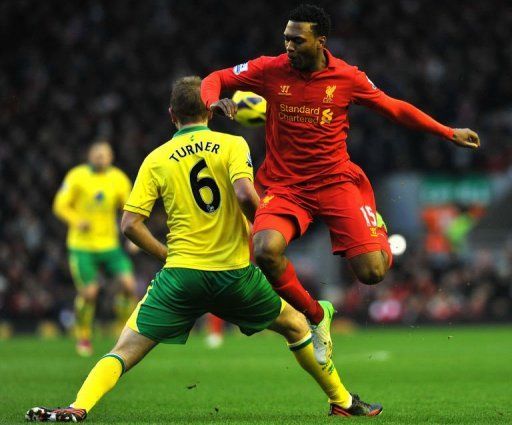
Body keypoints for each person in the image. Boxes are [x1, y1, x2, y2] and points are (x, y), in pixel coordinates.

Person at [26, 76, 382, 422]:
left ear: (171, 115)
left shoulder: (156, 158)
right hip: (234, 276)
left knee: (123, 350)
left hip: (179, 278)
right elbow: (244, 194)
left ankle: (78, 406)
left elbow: (130, 225)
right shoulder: (233, 146)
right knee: (297, 326)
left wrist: (166, 255)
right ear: (210, 112)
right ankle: (342, 401)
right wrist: (266, 227)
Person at [201, 3, 480, 356]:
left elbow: (393, 107)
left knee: (373, 273)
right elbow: (216, 78)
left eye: (297, 41)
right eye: (286, 39)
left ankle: (373, 225)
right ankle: (317, 316)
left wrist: (446, 131)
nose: (288, 47)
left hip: (336, 184)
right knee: (265, 251)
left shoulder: (347, 77)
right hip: (285, 187)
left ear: (321, 41)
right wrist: (212, 102)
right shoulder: (270, 69)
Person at [53, 141, 137, 356]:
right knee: (89, 293)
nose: (101, 157)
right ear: (89, 155)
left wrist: (134, 237)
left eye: (105, 154)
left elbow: (129, 208)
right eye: (97, 153)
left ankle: (122, 329)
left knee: (128, 284)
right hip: (82, 246)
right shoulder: (77, 176)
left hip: (109, 245)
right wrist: (75, 220)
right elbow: (60, 204)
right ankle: (83, 335)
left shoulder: (118, 178)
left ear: (111, 157)